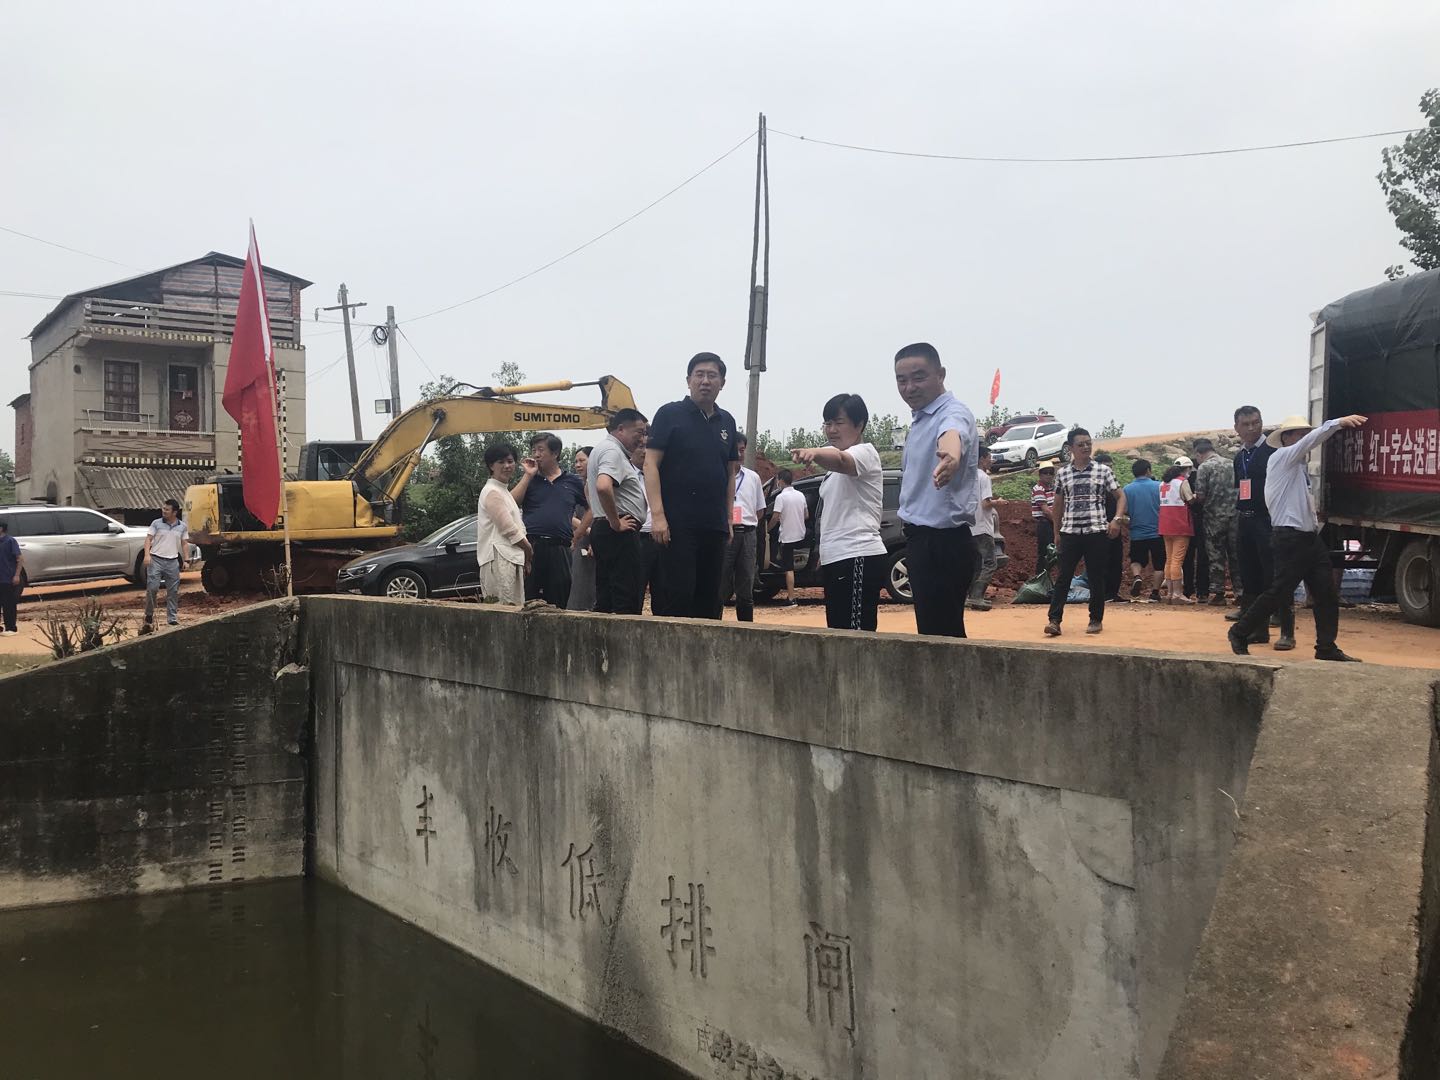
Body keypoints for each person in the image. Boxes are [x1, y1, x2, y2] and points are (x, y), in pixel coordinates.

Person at [1228, 413, 1368, 661]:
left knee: (1326, 592)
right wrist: (1336, 424)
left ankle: (1326, 647)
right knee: (1279, 591)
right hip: (1290, 538)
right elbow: (1311, 441)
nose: (1304, 439)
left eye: (1305, 434)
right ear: (1286, 438)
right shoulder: (1282, 457)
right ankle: (1239, 632)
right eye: (1299, 435)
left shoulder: (1298, 467)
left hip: (1308, 538)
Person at [893, 342, 979, 638]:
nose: (909, 388)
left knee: (943, 640)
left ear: (941, 374)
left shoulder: (952, 413)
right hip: (922, 541)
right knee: (933, 635)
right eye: (901, 380)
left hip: (943, 544)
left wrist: (951, 457)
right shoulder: (921, 419)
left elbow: (952, 434)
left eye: (918, 377)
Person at [644, 352, 739, 619]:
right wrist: (658, 516)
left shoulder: (727, 422)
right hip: (676, 525)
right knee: (678, 596)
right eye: (699, 375)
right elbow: (650, 464)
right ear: (688, 380)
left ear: (722, 383)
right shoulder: (669, 414)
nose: (705, 381)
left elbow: (729, 473)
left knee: (710, 600)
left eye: (712, 375)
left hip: (714, 525)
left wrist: (728, 518)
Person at [790, 393, 886, 631]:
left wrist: (814, 452)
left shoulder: (865, 452)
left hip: (858, 554)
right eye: (827, 423)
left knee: (855, 636)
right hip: (837, 557)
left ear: (859, 424)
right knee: (838, 633)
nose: (831, 430)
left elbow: (842, 460)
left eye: (839, 423)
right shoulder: (832, 471)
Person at [1045, 428, 1124, 637]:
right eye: (1080, 444)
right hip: (1070, 532)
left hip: (1096, 531)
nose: (1086, 447)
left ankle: (1095, 619)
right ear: (1071, 448)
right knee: (1063, 577)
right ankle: (1054, 620)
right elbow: (1058, 505)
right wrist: (1056, 532)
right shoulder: (1063, 473)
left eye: (1088, 443)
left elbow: (1121, 496)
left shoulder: (1103, 471)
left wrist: (1116, 520)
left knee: (1096, 577)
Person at [1231, 405, 1295, 648]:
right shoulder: (1239, 457)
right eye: (1246, 424)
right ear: (1237, 428)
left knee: (1276, 576)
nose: (1251, 428)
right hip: (1245, 520)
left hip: (1268, 520)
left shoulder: (1273, 451)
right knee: (1250, 576)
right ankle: (1257, 630)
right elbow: (1240, 487)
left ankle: (1287, 632)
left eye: (1255, 423)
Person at [586, 409, 650, 615]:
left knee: (606, 598)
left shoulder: (602, 449)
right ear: (621, 429)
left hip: (604, 528)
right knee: (626, 598)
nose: (642, 439)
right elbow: (603, 486)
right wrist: (615, 522)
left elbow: (589, 488)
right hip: (618, 531)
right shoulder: (612, 451)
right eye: (639, 432)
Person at [512, 433, 587, 608]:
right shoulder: (530, 480)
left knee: (559, 600)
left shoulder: (572, 481)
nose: (536, 454)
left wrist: (578, 534)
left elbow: (591, 509)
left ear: (555, 453)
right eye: (533, 450)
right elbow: (511, 503)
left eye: (541, 450)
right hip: (532, 547)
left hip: (560, 548)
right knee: (529, 600)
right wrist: (527, 476)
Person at [719, 433, 768, 621]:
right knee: (720, 583)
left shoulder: (753, 477)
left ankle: (746, 627)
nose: (739, 454)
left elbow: (760, 510)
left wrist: (747, 522)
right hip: (726, 534)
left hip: (748, 533)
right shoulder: (720, 474)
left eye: (742, 450)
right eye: (735, 450)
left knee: (746, 584)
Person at [477, 443, 532, 606]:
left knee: (514, 607)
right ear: (491, 466)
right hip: (499, 559)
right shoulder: (492, 491)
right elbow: (509, 529)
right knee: (502, 609)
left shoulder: (503, 491)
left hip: (510, 557)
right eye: (501, 462)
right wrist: (529, 550)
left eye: (510, 461)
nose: (507, 466)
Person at [1191, 437, 1238, 607]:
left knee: (1216, 556)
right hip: (1235, 516)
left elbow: (1201, 495)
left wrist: (1192, 499)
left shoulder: (1204, 467)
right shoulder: (1232, 463)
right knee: (1236, 556)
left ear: (1199, 454)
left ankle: (1218, 593)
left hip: (1213, 518)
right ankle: (1241, 593)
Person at [967, 445, 1006, 611]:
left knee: (976, 564)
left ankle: (970, 596)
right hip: (983, 526)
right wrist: (998, 502)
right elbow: (985, 503)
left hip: (969, 526)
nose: (991, 461)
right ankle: (977, 596)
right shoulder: (984, 477)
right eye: (989, 457)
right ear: (982, 459)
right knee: (990, 563)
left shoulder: (968, 477)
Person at [142, 498, 189, 631]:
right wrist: (147, 555)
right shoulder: (156, 523)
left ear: (174, 512)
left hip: (172, 561)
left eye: (167, 509)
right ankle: (149, 614)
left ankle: (172, 618)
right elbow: (148, 539)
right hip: (156, 560)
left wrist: (186, 560)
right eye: (163, 508)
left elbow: (184, 543)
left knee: (173, 591)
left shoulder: (182, 526)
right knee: (152, 587)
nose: (164, 511)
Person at [1122, 459, 1163, 602]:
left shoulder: (1127, 489)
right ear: (1148, 471)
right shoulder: (1159, 486)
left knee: (1136, 560)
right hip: (1157, 532)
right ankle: (1155, 593)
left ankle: (1137, 576)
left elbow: (1124, 510)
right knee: (1159, 564)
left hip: (1137, 532)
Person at [1158, 458, 1197, 604]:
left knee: (1169, 559)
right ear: (1187, 469)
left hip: (1165, 525)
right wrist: (1196, 496)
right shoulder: (1182, 482)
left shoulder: (1163, 483)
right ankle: (1177, 594)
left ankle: (1169, 593)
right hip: (1180, 524)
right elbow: (1190, 499)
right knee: (1177, 561)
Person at [566, 447, 598, 613]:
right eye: (576, 461)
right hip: (579, 542)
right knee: (578, 585)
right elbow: (567, 515)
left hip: (598, 542)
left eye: (582, 460)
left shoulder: (600, 484)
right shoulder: (574, 485)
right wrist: (589, 531)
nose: (578, 465)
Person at [771, 468, 809, 606]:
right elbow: (806, 515)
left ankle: (791, 598)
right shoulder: (801, 495)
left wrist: (766, 530)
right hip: (801, 535)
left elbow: (775, 517)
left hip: (787, 537)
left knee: (789, 569)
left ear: (781, 481)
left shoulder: (780, 497)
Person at [633, 443, 664, 610]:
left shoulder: (664, 475)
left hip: (662, 538)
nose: (645, 451)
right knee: (634, 591)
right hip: (636, 538)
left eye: (648, 447)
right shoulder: (624, 474)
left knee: (663, 593)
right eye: (640, 446)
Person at [1094, 451, 1126, 603]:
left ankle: (1113, 593)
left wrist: (1118, 521)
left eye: (1111, 467)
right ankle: (1103, 593)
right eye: (1106, 467)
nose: (1109, 470)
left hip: (1115, 528)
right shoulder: (1095, 487)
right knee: (1101, 562)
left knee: (1116, 560)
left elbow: (1121, 502)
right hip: (1098, 530)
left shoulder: (1115, 488)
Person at [1031, 462, 1057, 573]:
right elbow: (1046, 511)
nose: (1048, 475)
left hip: (1053, 523)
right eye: (1045, 473)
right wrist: (1059, 524)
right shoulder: (1038, 489)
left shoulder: (1054, 488)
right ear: (1040, 474)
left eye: (1051, 473)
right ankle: (1040, 578)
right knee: (1045, 554)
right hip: (1045, 524)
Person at [0, 519, 24, 636]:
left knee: (8, 604)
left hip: (7, 578)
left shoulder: (10, 541)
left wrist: (17, 575)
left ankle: (11, 627)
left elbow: (20, 559)